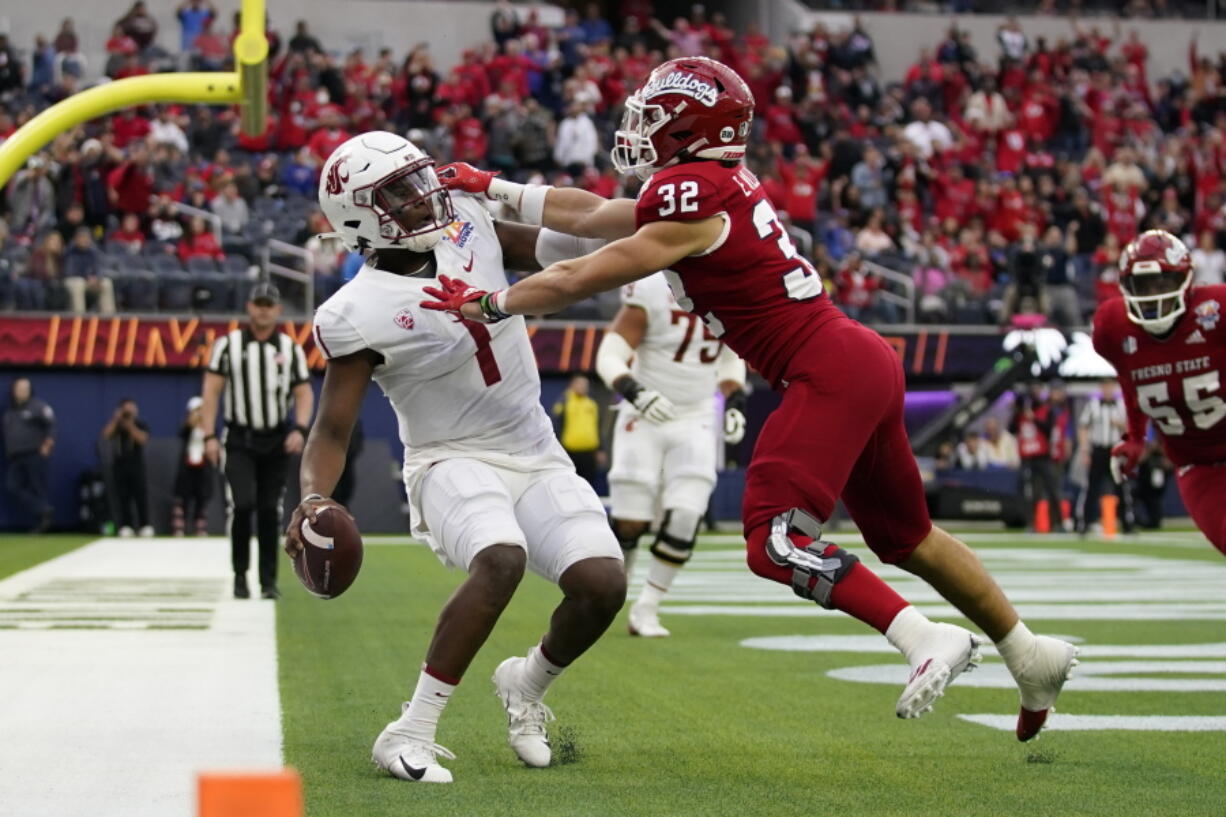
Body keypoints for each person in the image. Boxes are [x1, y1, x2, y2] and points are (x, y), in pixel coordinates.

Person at [429, 56, 1076, 741]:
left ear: (687, 127)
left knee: (774, 538)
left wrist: (494, 301)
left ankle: (919, 636)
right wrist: (490, 186)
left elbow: (591, 269)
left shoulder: (688, 196)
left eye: (654, 116)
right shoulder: (706, 185)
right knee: (907, 536)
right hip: (859, 359)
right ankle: (1028, 652)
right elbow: (594, 215)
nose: (641, 127)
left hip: (827, 368)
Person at [287, 131, 625, 783]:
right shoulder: (355, 312)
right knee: (502, 557)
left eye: (419, 179)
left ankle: (526, 684)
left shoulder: (467, 217)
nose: (424, 196)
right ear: (358, 216)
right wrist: (312, 494)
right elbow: (332, 428)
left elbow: (563, 248)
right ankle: (409, 729)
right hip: (447, 456)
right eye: (399, 192)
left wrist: (621, 230)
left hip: (534, 450)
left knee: (602, 585)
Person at [596, 271, 746, 637]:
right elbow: (610, 353)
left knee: (686, 515)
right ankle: (611, 596)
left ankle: (647, 608)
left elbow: (730, 357)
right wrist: (634, 390)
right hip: (644, 410)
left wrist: (735, 400)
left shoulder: (732, 288)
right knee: (630, 519)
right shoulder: (651, 287)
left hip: (695, 413)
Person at [1091, 229, 1226, 556]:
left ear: (1186, 280)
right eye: (1143, 285)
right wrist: (1136, 436)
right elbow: (1132, 377)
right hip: (1198, 465)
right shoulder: (1113, 328)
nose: (1153, 295)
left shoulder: (1217, 310)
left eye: (1162, 283)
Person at [200, 282, 313, 600]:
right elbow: (211, 390)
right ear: (249, 307)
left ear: (277, 310)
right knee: (243, 504)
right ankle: (239, 575)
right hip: (240, 438)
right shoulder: (228, 345)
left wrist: (300, 429)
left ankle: (268, 581)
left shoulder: (290, 348)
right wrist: (208, 435)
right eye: (258, 304)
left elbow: (303, 392)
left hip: (276, 439)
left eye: (269, 304)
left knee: (268, 510)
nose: (263, 310)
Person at [1075, 378, 1134, 536]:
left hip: (1116, 450)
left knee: (1121, 487)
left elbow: (1132, 427)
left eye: (1110, 386)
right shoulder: (1092, 405)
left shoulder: (1122, 405)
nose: (1107, 389)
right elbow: (1083, 427)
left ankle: (1127, 524)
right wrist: (1085, 450)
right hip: (1098, 450)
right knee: (1091, 488)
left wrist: (1120, 425)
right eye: (1105, 386)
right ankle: (1084, 523)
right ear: (1101, 388)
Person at [1010, 382, 1064, 532]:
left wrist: (1033, 418)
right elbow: (1011, 429)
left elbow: (1049, 429)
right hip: (1027, 457)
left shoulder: (1047, 411)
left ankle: (1057, 523)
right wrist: (1016, 410)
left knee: (1052, 490)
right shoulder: (1020, 413)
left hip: (1043, 457)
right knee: (1032, 492)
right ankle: (1031, 523)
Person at [3, 378, 55, 532]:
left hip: (34, 454)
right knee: (13, 486)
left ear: (30, 390)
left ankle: (43, 521)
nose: (21, 391)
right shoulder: (10, 411)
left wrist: (47, 444)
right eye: (19, 388)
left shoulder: (38, 406)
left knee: (37, 487)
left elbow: (51, 425)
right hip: (15, 457)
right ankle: (43, 509)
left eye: (24, 388)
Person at [101, 397, 152, 537]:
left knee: (140, 495)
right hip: (120, 465)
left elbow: (143, 439)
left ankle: (144, 525)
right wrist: (116, 419)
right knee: (123, 497)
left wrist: (130, 426)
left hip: (136, 465)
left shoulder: (140, 424)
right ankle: (125, 525)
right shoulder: (117, 426)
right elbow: (105, 435)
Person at [551, 374, 601, 486]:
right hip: (570, 452)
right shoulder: (563, 401)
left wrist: (600, 449)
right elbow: (556, 426)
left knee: (589, 485)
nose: (583, 387)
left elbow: (598, 426)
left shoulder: (591, 403)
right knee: (570, 484)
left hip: (589, 453)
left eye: (585, 385)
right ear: (572, 385)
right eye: (580, 384)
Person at [172, 395, 212, 536]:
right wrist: (193, 420)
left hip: (202, 467)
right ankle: (180, 528)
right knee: (183, 497)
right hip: (187, 467)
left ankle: (200, 528)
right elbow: (183, 433)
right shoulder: (187, 427)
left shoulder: (209, 428)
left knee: (201, 497)